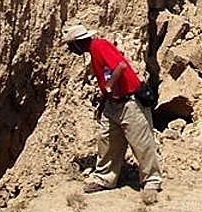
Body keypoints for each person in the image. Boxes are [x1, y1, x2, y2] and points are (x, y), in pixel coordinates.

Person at [62, 24, 163, 194]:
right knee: (106, 140)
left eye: (70, 45)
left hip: (129, 103)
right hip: (113, 103)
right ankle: (105, 178)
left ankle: (152, 180)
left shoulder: (99, 45)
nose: (70, 50)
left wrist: (109, 86)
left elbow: (121, 66)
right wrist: (103, 101)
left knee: (141, 142)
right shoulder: (93, 51)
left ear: (78, 43)